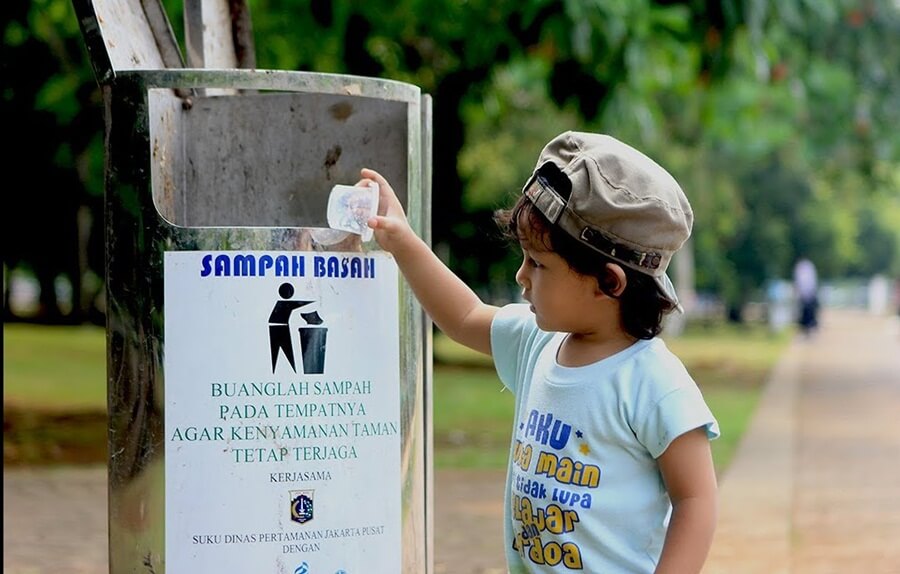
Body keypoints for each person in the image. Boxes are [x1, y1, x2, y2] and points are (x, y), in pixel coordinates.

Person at [361, 131, 719, 573]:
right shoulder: (537, 341)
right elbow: (465, 315)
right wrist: (402, 242)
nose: (521, 276)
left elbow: (696, 499)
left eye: (538, 263)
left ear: (609, 283)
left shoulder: (653, 382)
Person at [793, 257, 819, 336]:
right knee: (805, 312)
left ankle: (808, 327)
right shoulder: (804, 267)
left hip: (807, 294)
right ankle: (806, 327)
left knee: (809, 311)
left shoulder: (803, 267)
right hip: (805, 294)